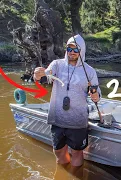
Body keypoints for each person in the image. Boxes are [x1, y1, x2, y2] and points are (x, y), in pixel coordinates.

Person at [33, 34, 101, 167]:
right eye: (69, 48)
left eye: (76, 49)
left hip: (78, 120)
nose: (72, 52)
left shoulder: (90, 71)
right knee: (58, 151)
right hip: (58, 119)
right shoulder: (57, 65)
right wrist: (37, 75)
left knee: (77, 153)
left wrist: (96, 96)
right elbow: (45, 77)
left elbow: (97, 92)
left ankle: (76, 175)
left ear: (82, 51)